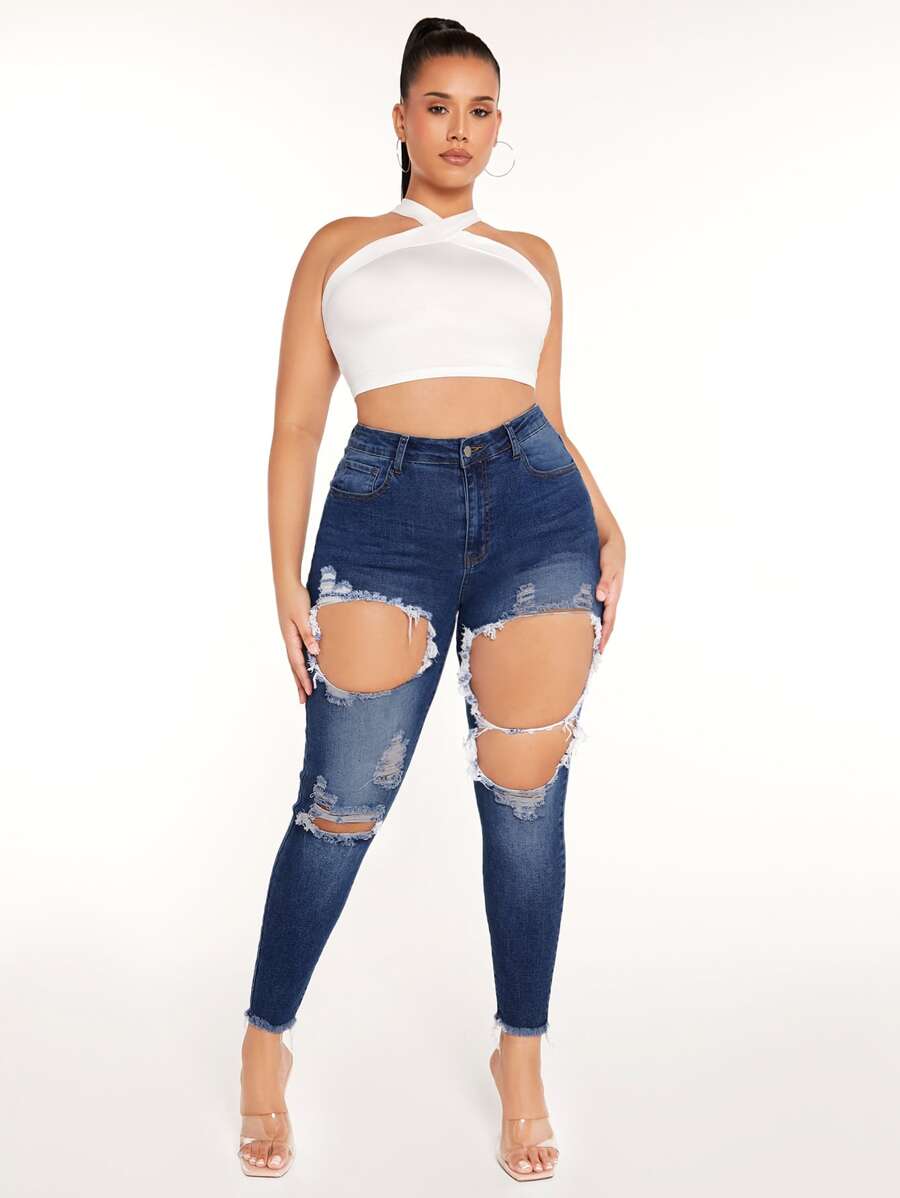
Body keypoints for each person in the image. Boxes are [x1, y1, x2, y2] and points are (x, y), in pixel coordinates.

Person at [237, 17, 626, 1181]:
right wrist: (282, 575)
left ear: (499, 125)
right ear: (402, 119)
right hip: (381, 514)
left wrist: (605, 513)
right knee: (339, 803)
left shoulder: (532, 257)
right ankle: (265, 1040)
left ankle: (521, 1056)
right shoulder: (342, 246)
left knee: (527, 800)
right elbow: (297, 424)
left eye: (482, 109)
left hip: (537, 509)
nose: (461, 129)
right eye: (441, 106)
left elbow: (549, 411)